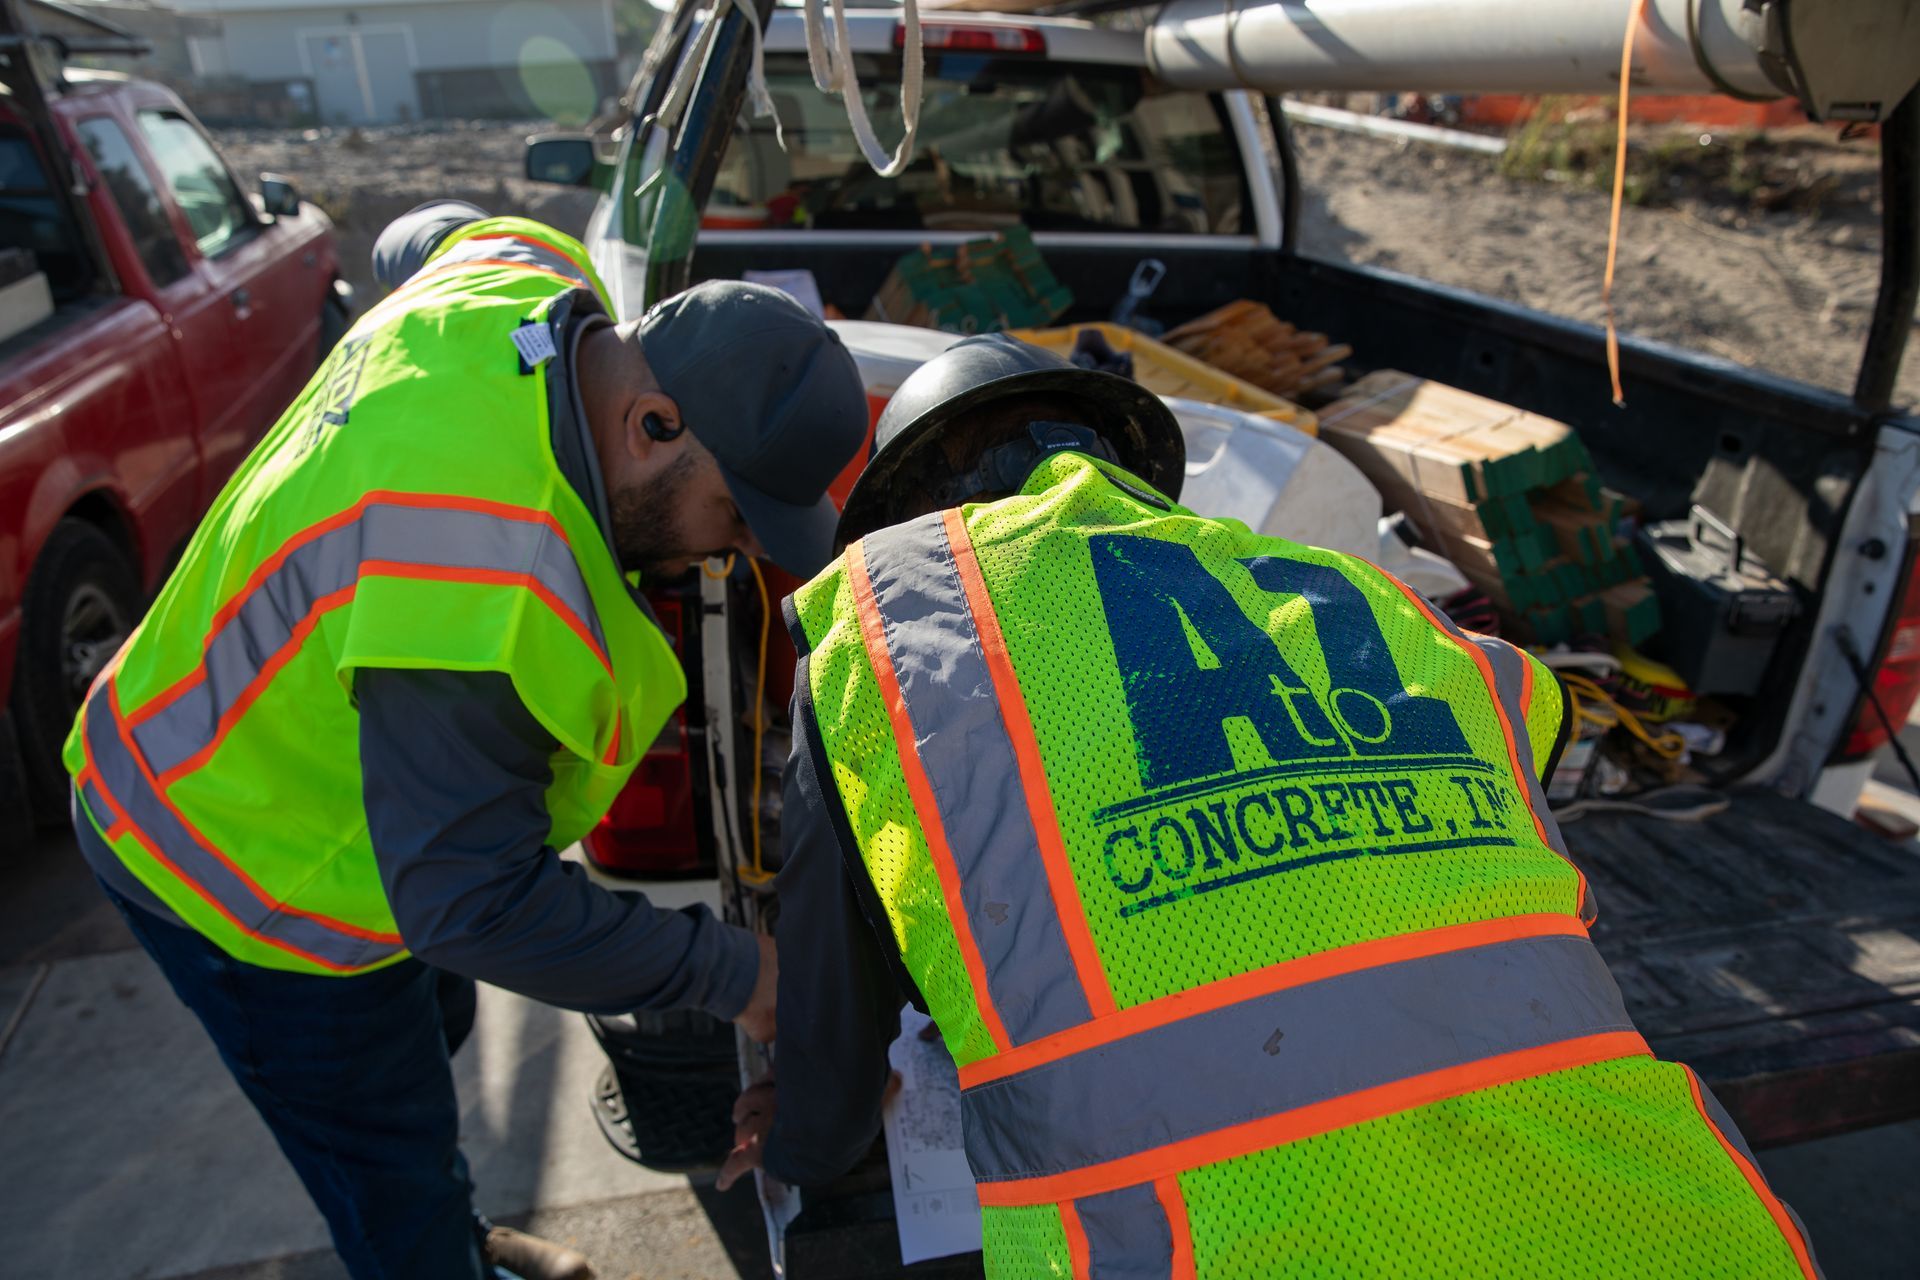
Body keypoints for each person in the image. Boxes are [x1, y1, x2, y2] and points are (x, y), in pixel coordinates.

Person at [720, 335, 1823, 1279]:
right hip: (1667, 1219)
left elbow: (840, 1010)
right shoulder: (1380, 601)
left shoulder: (892, 638)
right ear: (1132, 469)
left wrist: (807, 1146)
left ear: (918, 520)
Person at [64, 202, 867, 1280]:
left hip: (229, 729)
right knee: (382, 1156)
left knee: (428, 1021)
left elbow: (419, 239)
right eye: (732, 516)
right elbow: (466, 900)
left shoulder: (520, 273)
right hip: (229, 857)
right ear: (654, 425)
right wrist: (740, 972)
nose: (730, 556)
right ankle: (432, 1246)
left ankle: (443, 1218)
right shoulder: (484, 591)